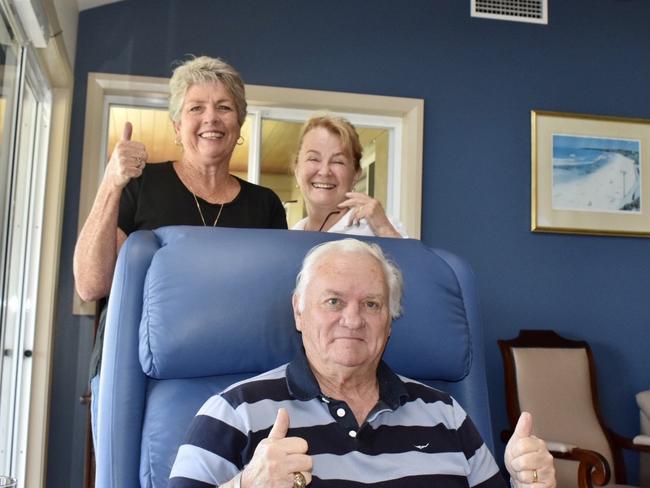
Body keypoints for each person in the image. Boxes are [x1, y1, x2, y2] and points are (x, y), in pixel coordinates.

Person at [169, 239, 556, 488]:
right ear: (299, 312)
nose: (353, 320)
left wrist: (528, 485)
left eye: (371, 304)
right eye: (334, 301)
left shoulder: (446, 415)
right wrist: (247, 486)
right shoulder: (234, 412)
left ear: (389, 322)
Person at [73, 55, 287, 445]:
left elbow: (276, 305)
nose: (211, 118)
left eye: (224, 107)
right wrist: (111, 183)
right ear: (176, 125)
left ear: (239, 124)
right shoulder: (142, 184)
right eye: (196, 108)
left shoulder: (266, 205)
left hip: (232, 376)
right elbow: (90, 284)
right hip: (134, 370)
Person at [292, 115, 407, 237]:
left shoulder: (378, 229)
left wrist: (384, 229)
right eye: (314, 158)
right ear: (297, 170)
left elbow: (412, 256)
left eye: (338, 161)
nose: (324, 171)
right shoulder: (291, 236)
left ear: (356, 174)